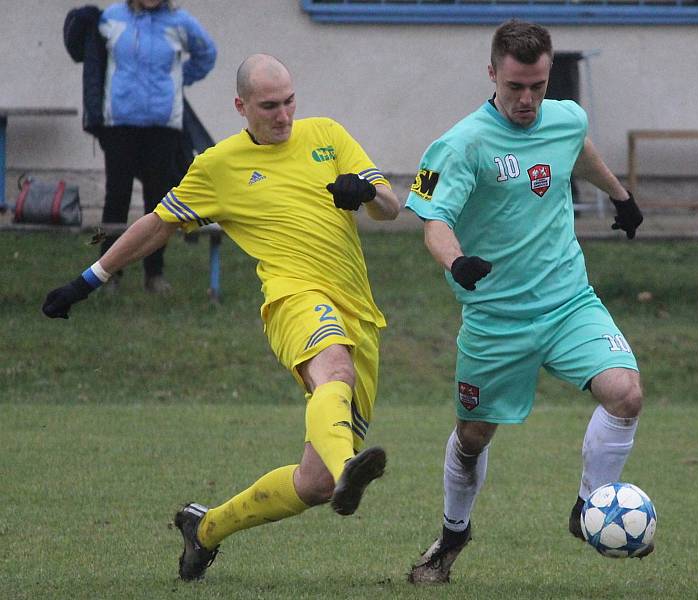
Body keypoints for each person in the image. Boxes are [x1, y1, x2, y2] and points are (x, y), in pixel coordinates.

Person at [42, 54, 400, 582]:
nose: (283, 116)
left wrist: (367, 192)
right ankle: (350, 462)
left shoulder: (327, 134)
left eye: (289, 102)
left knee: (316, 484)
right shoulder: (218, 165)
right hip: (293, 299)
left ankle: (206, 528)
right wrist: (88, 279)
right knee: (334, 372)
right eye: (269, 106)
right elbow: (159, 224)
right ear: (241, 107)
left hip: (360, 313)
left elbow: (392, 206)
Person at [404, 20, 647, 584]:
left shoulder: (563, 117)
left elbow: (576, 149)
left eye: (537, 85)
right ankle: (453, 534)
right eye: (515, 86)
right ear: (492, 74)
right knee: (472, 437)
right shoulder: (461, 143)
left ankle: (588, 509)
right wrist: (455, 261)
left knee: (626, 393)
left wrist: (619, 194)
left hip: (569, 303)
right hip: (496, 319)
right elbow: (432, 218)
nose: (527, 99)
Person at [96, 0, 216, 293]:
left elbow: (207, 55)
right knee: (116, 197)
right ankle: (108, 273)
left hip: (163, 127)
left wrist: (175, 82)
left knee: (159, 201)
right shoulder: (111, 18)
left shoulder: (180, 23)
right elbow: (92, 59)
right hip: (119, 123)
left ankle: (155, 274)